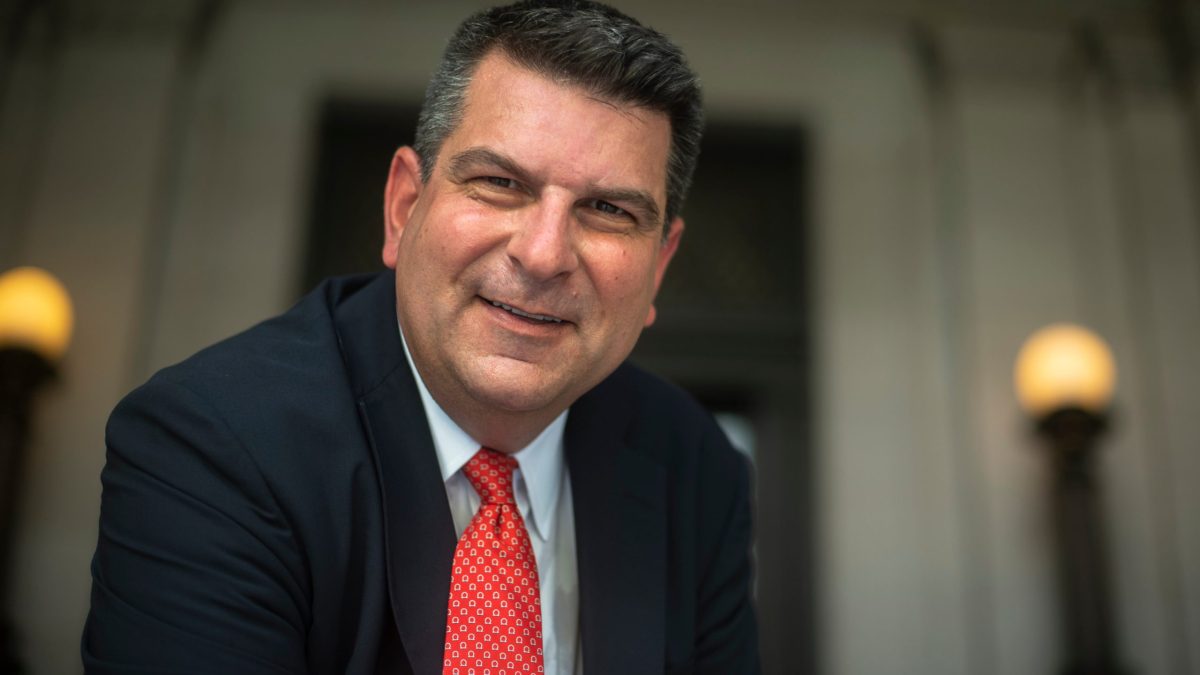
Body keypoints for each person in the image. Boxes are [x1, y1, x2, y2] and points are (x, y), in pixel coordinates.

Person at [82, 1, 759, 673]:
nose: (545, 253)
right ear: (405, 206)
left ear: (659, 266)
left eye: (609, 210)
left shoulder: (697, 471)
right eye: (499, 182)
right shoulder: (214, 444)